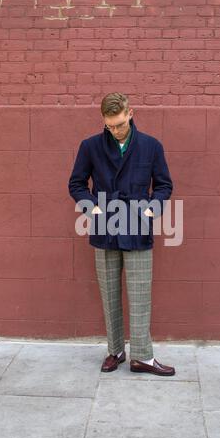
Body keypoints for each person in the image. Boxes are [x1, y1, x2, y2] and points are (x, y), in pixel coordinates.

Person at [68, 92, 175, 376]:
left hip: (139, 226)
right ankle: (115, 351)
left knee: (140, 294)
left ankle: (143, 357)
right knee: (109, 294)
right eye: (109, 125)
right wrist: (92, 209)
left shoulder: (151, 146)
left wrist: (152, 208)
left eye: (119, 124)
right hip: (105, 227)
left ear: (131, 113)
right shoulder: (90, 146)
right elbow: (77, 184)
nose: (115, 130)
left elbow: (164, 185)